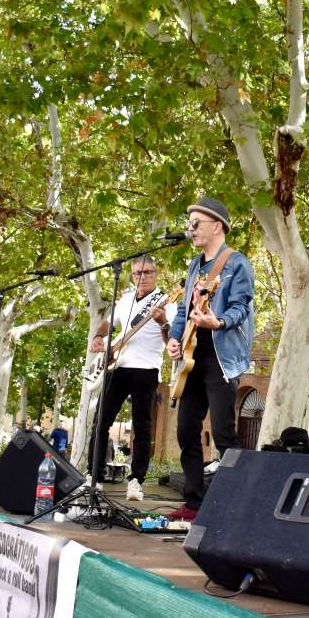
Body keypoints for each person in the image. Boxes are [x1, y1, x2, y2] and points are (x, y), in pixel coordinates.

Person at [166, 197, 255, 521]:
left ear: (216, 226)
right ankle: (194, 502)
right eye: (189, 223)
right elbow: (183, 311)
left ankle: (237, 504)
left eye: (196, 223)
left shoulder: (236, 263)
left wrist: (217, 322)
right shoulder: (193, 266)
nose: (190, 229)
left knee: (223, 433)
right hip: (192, 356)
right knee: (186, 431)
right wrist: (175, 340)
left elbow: (241, 306)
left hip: (221, 357)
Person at [90, 254, 177, 502]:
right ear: (131, 275)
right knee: (101, 422)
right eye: (138, 273)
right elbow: (109, 322)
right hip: (117, 367)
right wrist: (98, 336)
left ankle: (136, 481)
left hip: (146, 369)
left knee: (142, 426)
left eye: (148, 272)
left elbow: (170, 340)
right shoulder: (126, 299)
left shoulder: (167, 303)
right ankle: (93, 476)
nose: (143, 277)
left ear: (156, 274)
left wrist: (162, 323)